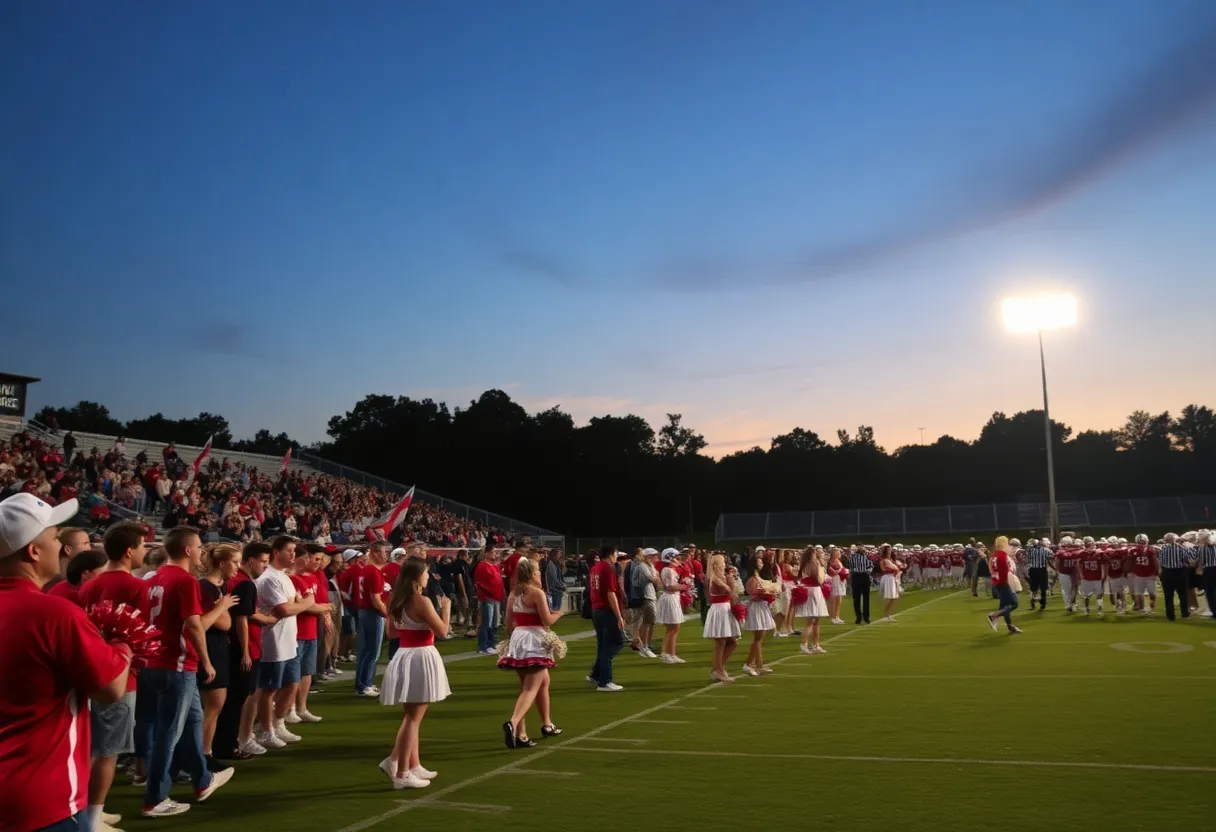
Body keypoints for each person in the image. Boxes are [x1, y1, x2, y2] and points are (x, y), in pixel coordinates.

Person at [0, 493, 134, 832]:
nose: (62, 548)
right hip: (39, 799)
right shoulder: (54, 614)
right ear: (33, 551)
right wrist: (122, 645)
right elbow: (111, 688)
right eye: (55, 538)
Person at [141, 525, 235, 817]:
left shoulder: (153, 578)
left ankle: (202, 779)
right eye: (198, 546)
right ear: (187, 550)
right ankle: (154, 798)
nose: (201, 551)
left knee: (193, 719)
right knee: (170, 732)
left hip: (155, 660)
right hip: (176, 663)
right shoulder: (185, 580)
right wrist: (206, 661)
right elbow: (193, 624)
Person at [78, 521, 150, 832]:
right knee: (108, 750)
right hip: (121, 674)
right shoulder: (136, 587)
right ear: (130, 550)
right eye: (143, 546)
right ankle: (92, 818)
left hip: (90, 672)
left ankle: (90, 811)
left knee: (92, 746)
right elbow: (146, 634)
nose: (145, 552)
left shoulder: (89, 584)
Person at [378, 559, 450, 789]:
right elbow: (443, 631)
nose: (428, 576)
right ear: (416, 577)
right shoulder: (421, 600)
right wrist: (446, 610)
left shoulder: (395, 599)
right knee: (413, 717)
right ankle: (401, 772)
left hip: (404, 655)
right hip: (420, 656)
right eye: (426, 573)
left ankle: (411, 764)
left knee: (412, 715)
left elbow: (391, 633)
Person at [254, 536, 314, 749]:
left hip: (289, 639)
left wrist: (299, 604)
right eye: (289, 551)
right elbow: (285, 609)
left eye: (294, 551)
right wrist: (305, 603)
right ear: (275, 552)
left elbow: (292, 606)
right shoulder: (269, 578)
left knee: (291, 683)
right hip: (273, 641)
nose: (293, 555)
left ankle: (277, 723)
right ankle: (264, 729)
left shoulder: (284, 577)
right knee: (270, 688)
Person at [216, 542, 274, 759]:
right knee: (237, 699)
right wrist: (246, 651)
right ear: (250, 560)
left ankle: (223, 743)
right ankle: (229, 745)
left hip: (232, 645)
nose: (264, 567)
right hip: (245, 647)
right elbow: (242, 618)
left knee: (231, 700)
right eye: (264, 562)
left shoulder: (231, 582)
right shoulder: (245, 584)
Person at [499, 557, 564, 749]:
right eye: (537, 571)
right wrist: (558, 614)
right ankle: (514, 722)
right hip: (534, 640)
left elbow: (508, 625)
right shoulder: (536, 593)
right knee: (530, 688)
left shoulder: (513, 594)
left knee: (540, 683)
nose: (539, 574)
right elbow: (547, 620)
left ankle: (536, 728)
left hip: (519, 639)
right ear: (532, 574)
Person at [197, 544, 240, 769]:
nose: (238, 567)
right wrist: (221, 609)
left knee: (216, 705)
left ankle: (206, 752)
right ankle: (201, 755)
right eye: (235, 562)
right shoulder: (206, 587)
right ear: (222, 563)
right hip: (210, 648)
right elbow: (217, 622)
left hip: (218, 647)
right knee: (212, 705)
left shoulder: (217, 587)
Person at [287, 543, 332, 723]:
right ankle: (289, 708)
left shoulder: (313, 578)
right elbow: (306, 606)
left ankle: (302, 707)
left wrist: (318, 607)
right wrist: (318, 607)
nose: (317, 563)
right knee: (294, 673)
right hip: (297, 631)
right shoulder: (294, 578)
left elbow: (316, 603)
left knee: (307, 672)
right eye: (315, 559)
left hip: (311, 630)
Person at [588, 545, 626, 692]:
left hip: (596, 608)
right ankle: (605, 681)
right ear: (611, 554)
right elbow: (610, 593)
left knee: (603, 644)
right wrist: (619, 616)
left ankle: (597, 675)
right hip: (605, 609)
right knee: (615, 644)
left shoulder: (595, 567)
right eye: (615, 553)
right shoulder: (607, 568)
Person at [354, 542, 390, 695]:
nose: (386, 555)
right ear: (375, 553)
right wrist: (387, 614)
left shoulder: (366, 570)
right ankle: (365, 684)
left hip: (364, 611)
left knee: (365, 650)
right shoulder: (374, 572)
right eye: (383, 552)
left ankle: (362, 683)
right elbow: (376, 599)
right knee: (372, 651)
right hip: (372, 613)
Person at [703, 554, 741, 681]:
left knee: (732, 642)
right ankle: (719, 670)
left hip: (725, 608)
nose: (725, 564)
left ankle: (717, 668)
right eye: (723, 563)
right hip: (719, 609)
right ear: (717, 565)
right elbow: (731, 594)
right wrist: (731, 582)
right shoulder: (714, 578)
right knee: (721, 642)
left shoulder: (721, 577)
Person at [742, 550, 776, 676]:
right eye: (759, 561)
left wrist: (770, 593)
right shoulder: (752, 579)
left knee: (760, 638)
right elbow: (753, 595)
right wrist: (765, 593)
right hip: (756, 608)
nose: (762, 563)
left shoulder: (758, 578)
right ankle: (758, 665)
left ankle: (749, 664)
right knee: (758, 638)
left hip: (762, 607)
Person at [655, 549, 690, 664]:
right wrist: (685, 586)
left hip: (673, 597)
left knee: (675, 628)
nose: (679, 560)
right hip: (670, 598)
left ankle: (672, 654)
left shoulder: (670, 569)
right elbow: (670, 587)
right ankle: (665, 653)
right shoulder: (668, 570)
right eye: (676, 557)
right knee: (672, 628)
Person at [794, 547, 828, 654]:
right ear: (811, 555)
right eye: (814, 554)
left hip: (813, 591)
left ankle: (816, 644)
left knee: (816, 620)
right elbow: (818, 580)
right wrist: (823, 576)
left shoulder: (806, 565)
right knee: (811, 620)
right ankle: (804, 644)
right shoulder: (811, 565)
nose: (816, 555)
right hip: (813, 591)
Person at [986, 536, 1022, 634]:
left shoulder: (994, 555)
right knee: (1014, 604)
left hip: (998, 582)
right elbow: (1004, 570)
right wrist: (1010, 582)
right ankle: (994, 616)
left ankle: (1010, 627)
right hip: (1004, 582)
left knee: (1005, 606)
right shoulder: (1002, 555)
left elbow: (991, 569)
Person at [1157, 533, 1195, 621]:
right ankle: (1184, 612)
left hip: (1167, 572)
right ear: (1175, 539)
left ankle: (1170, 615)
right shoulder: (1182, 548)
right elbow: (1190, 559)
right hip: (1180, 572)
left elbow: (1161, 561)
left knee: (1168, 595)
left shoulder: (1162, 548)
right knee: (1183, 594)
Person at [43, 525, 92, 593]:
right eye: (85, 544)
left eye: (89, 543)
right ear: (68, 550)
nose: (90, 549)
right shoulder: (63, 576)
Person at [474, 548, 504, 655]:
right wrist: (488, 593)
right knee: (487, 622)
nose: (495, 554)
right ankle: (483, 646)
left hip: (496, 597)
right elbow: (480, 583)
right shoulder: (482, 566)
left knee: (495, 623)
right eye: (493, 552)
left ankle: (492, 643)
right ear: (486, 553)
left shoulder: (494, 566)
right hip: (488, 598)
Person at [1077, 540, 1107, 618]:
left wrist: (1103, 574)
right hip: (1087, 577)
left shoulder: (1099, 553)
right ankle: (1087, 609)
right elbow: (1079, 564)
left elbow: (1104, 564)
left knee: (1098, 595)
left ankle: (1099, 610)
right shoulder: (1082, 554)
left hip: (1096, 577)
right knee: (1087, 596)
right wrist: (1081, 574)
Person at [847, 545, 873, 624]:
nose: (861, 549)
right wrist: (854, 571)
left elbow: (871, 566)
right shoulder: (852, 557)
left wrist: (868, 570)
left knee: (866, 598)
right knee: (856, 598)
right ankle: (858, 616)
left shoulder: (867, 556)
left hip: (865, 576)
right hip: (856, 576)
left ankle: (866, 617)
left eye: (862, 547)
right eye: (859, 547)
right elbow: (850, 567)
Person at [878, 544, 903, 623]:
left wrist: (898, 568)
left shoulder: (891, 560)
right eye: (889, 550)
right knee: (892, 597)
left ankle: (887, 614)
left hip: (893, 578)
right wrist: (893, 569)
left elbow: (896, 568)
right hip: (888, 578)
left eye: (890, 549)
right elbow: (883, 569)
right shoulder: (884, 560)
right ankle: (886, 615)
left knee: (894, 597)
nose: (890, 551)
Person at [826, 547, 847, 625]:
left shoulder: (838, 560)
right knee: (834, 599)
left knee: (839, 600)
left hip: (840, 579)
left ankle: (837, 616)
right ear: (833, 554)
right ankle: (833, 617)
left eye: (838, 552)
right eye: (836, 552)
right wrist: (840, 571)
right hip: (835, 579)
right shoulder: (831, 561)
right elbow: (831, 572)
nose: (838, 554)